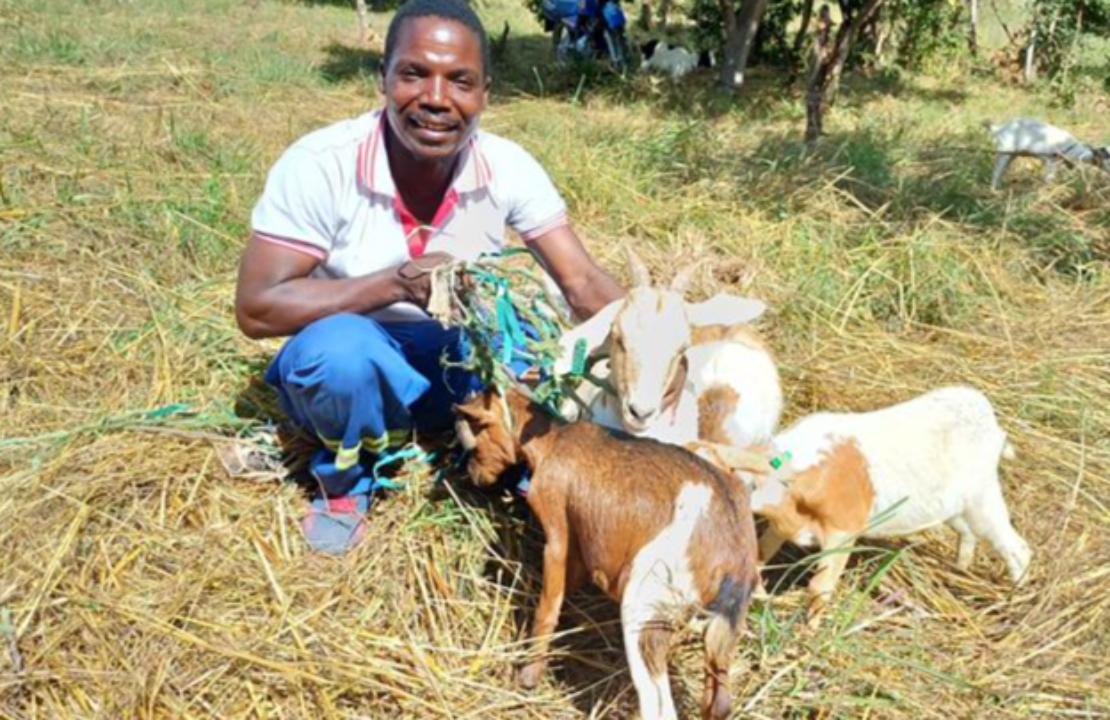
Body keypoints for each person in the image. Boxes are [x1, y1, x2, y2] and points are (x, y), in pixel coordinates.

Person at [234, 0, 623, 539]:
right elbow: (256, 308)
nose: (437, 99)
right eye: (414, 74)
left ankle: (507, 461)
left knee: (540, 356)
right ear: (383, 78)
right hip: (360, 358)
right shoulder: (321, 164)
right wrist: (394, 284)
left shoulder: (508, 166)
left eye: (460, 81)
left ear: (486, 93)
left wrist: (660, 339)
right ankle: (347, 482)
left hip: (462, 353)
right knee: (340, 358)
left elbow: (580, 282)